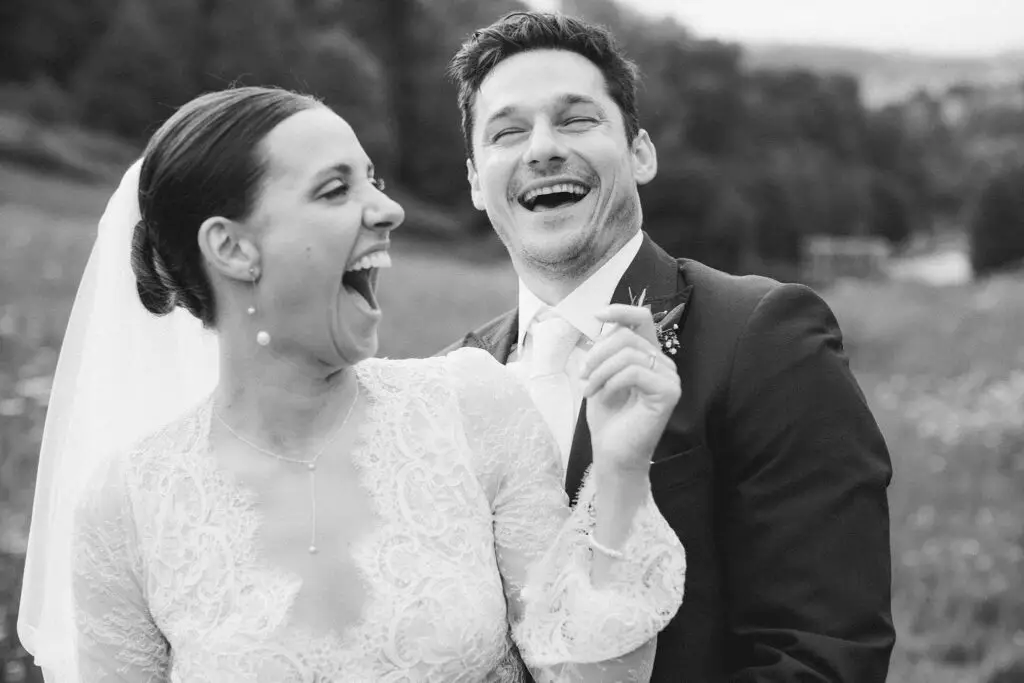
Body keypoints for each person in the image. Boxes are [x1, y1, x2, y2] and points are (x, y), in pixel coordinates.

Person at [17, 86, 688, 682]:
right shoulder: (127, 504)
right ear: (232, 247)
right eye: (336, 189)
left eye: (374, 180)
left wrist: (623, 471)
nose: (389, 210)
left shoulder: (473, 406)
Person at [445, 11, 895, 682]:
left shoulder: (766, 334)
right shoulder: (460, 377)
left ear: (640, 154)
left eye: (575, 120)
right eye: (509, 131)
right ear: (479, 181)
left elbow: (824, 653)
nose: (541, 147)